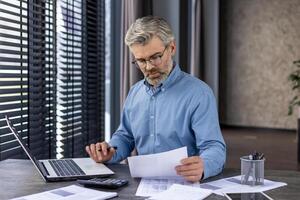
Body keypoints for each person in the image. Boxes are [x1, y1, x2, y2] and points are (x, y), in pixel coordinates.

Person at [86, 16, 226, 182]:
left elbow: (214, 147)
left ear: (172, 48)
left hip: (185, 185)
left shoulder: (199, 93)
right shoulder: (134, 93)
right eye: (141, 60)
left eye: (155, 57)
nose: (149, 67)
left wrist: (204, 165)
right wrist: (111, 151)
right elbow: (125, 136)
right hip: (141, 184)